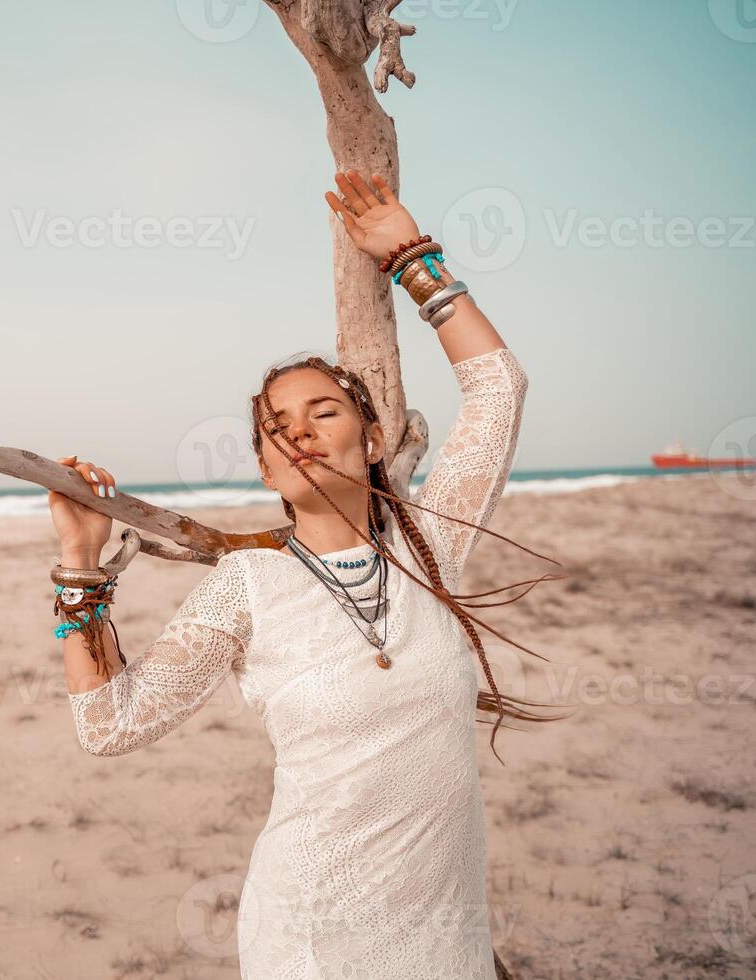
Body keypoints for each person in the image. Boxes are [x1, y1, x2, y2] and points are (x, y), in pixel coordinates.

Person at [46, 170, 564, 979]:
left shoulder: (430, 542)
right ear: (264, 470)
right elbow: (110, 726)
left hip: (445, 937)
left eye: (322, 412)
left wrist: (413, 259)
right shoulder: (247, 584)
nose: (299, 433)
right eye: (274, 428)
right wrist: (80, 569)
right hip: (313, 941)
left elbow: (498, 389)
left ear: (371, 439)